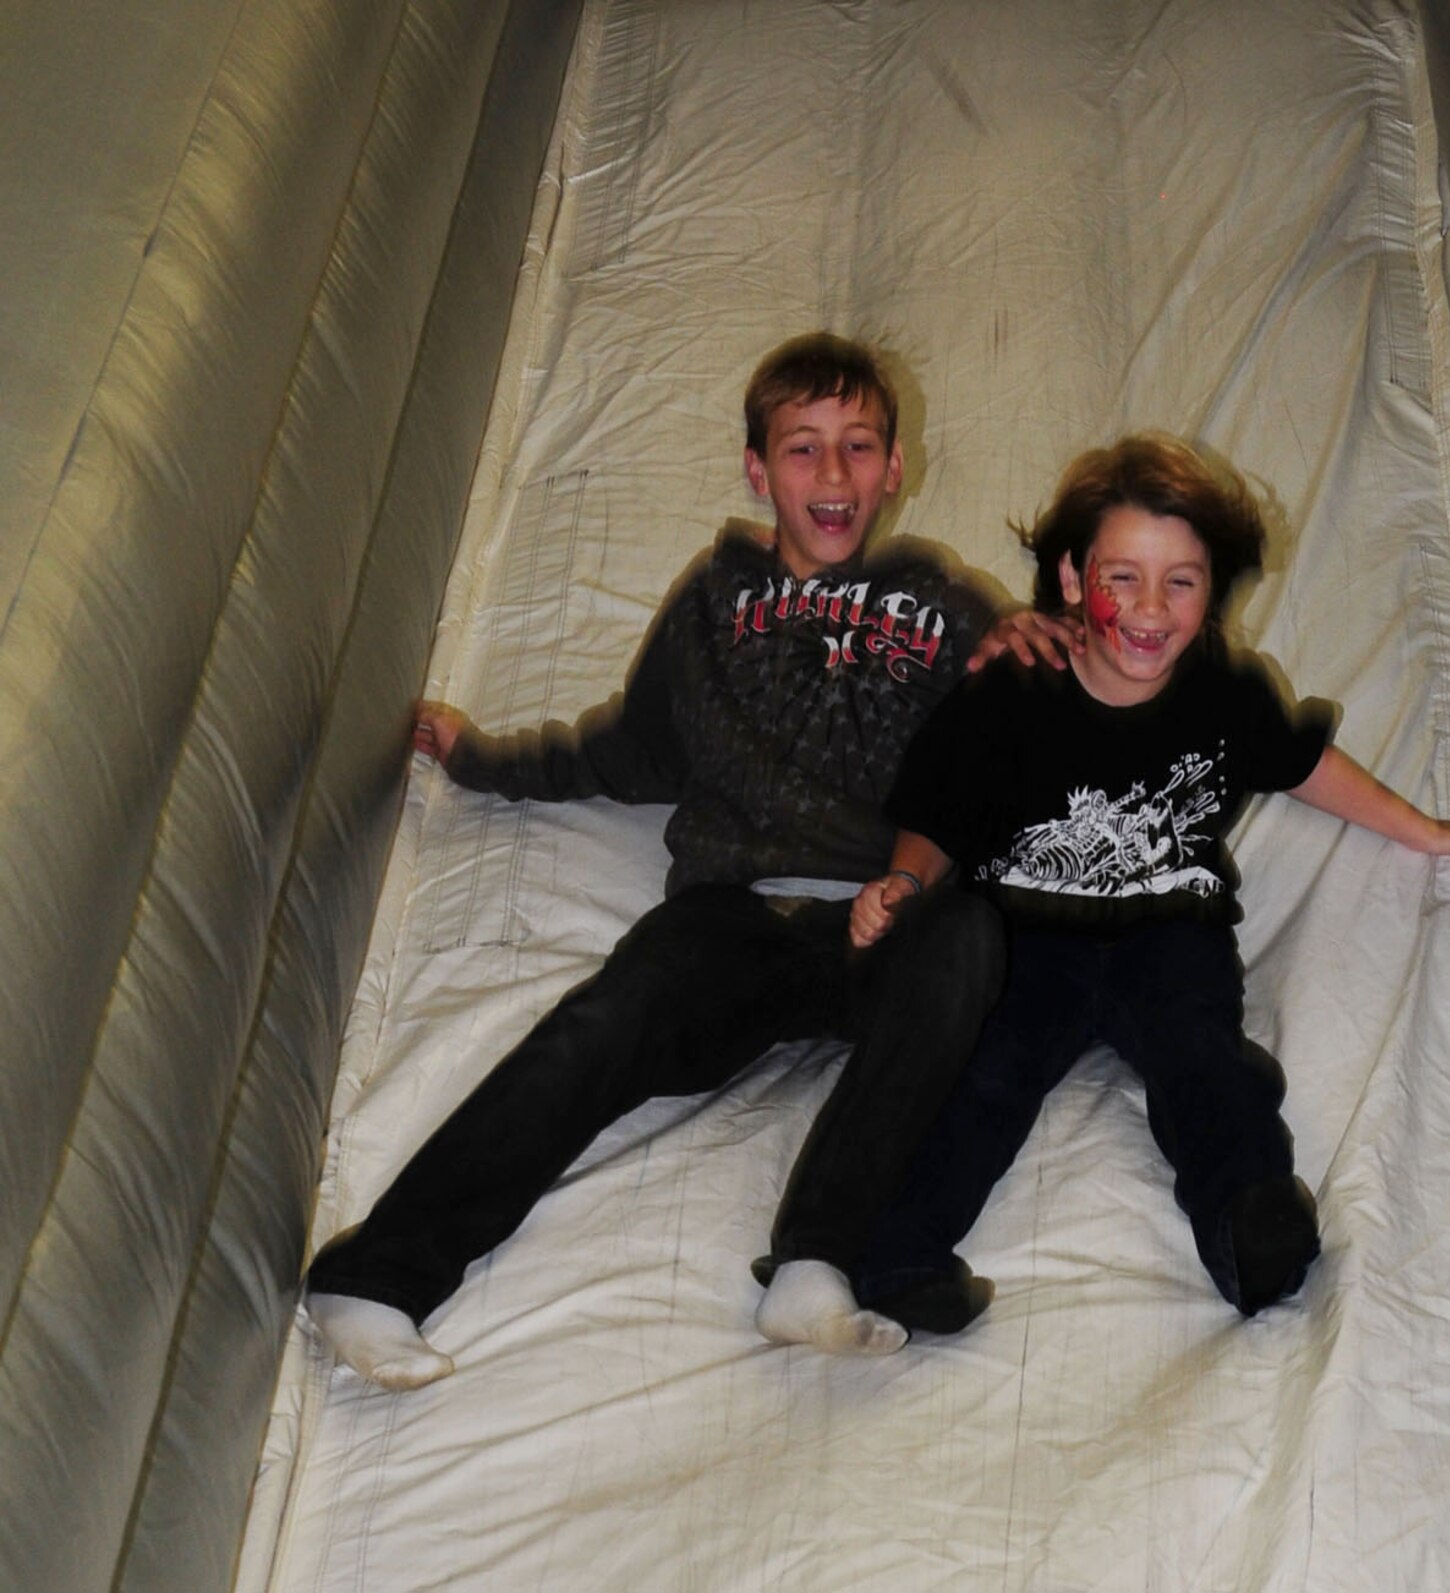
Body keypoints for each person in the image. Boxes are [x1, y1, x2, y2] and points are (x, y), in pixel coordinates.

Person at [306, 333, 1074, 1386]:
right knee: (599, 1023)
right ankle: (378, 1276)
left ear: (896, 466)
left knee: (971, 940)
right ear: (758, 471)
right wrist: (481, 758)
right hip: (734, 917)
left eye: (857, 448)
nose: (833, 475)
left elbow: (1024, 753)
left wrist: (1040, 652)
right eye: (802, 450)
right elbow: (629, 750)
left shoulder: (942, 605)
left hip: (890, 917)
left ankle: (813, 1265)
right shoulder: (713, 604)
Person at [844, 434, 1450, 1331]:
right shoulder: (1014, 686)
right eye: (1123, 577)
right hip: (1024, 936)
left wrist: (1424, 830)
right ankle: (900, 1251)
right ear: (1073, 575)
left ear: (1212, 595)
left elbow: (1301, 763)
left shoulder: (1223, 690)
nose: (1150, 609)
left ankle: (1251, 1220)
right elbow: (938, 808)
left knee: (1207, 1064)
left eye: (1182, 582)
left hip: (1170, 933)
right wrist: (900, 880)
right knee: (985, 1075)